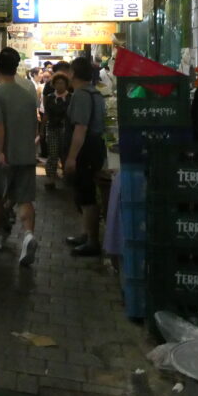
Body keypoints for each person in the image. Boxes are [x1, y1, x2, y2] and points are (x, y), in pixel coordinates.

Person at [0, 47, 40, 266]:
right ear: (16, 69)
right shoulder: (28, 95)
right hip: (26, 153)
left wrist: (0, 151)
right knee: (25, 198)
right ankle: (28, 235)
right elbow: (35, 127)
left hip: (5, 155)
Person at [64, 56, 107, 257]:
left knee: (87, 194)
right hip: (94, 147)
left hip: (86, 149)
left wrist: (72, 157)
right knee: (83, 192)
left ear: (73, 73)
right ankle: (85, 234)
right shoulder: (95, 92)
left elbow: (80, 128)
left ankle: (92, 241)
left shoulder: (81, 95)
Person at [41, 72, 72, 189]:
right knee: (52, 154)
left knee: (65, 153)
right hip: (52, 128)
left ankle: (67, 176)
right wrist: (42, 129)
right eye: (57, 83)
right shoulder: (50, 97)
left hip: (66, 129)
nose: (60, 85)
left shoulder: (71, 97)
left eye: (62, 83)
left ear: (66, 84)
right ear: (53, 84)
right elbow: (46, 114)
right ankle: (51, 179)